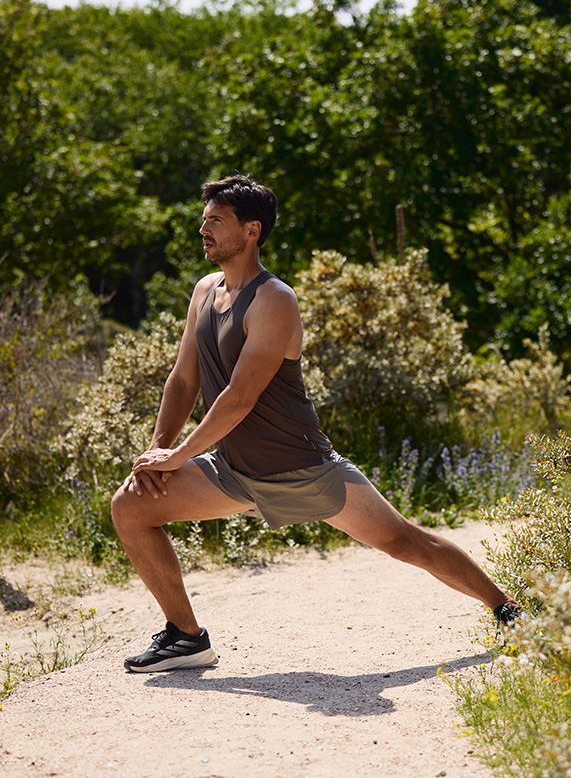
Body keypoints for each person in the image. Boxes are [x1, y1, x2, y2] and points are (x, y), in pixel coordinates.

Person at [111, 175, 520, 673]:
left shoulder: (273, 300)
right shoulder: (205, 291)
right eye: (204, 220)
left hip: (300, 466)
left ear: (252, 230)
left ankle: (509, 611)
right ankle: (187, 638)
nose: (204, 229)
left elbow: (240, 398)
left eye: (215, 220)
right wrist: (158, 453)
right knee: (130, 507)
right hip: (233, 470)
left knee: (405, 542)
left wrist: (177, 457)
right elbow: (183, 379)